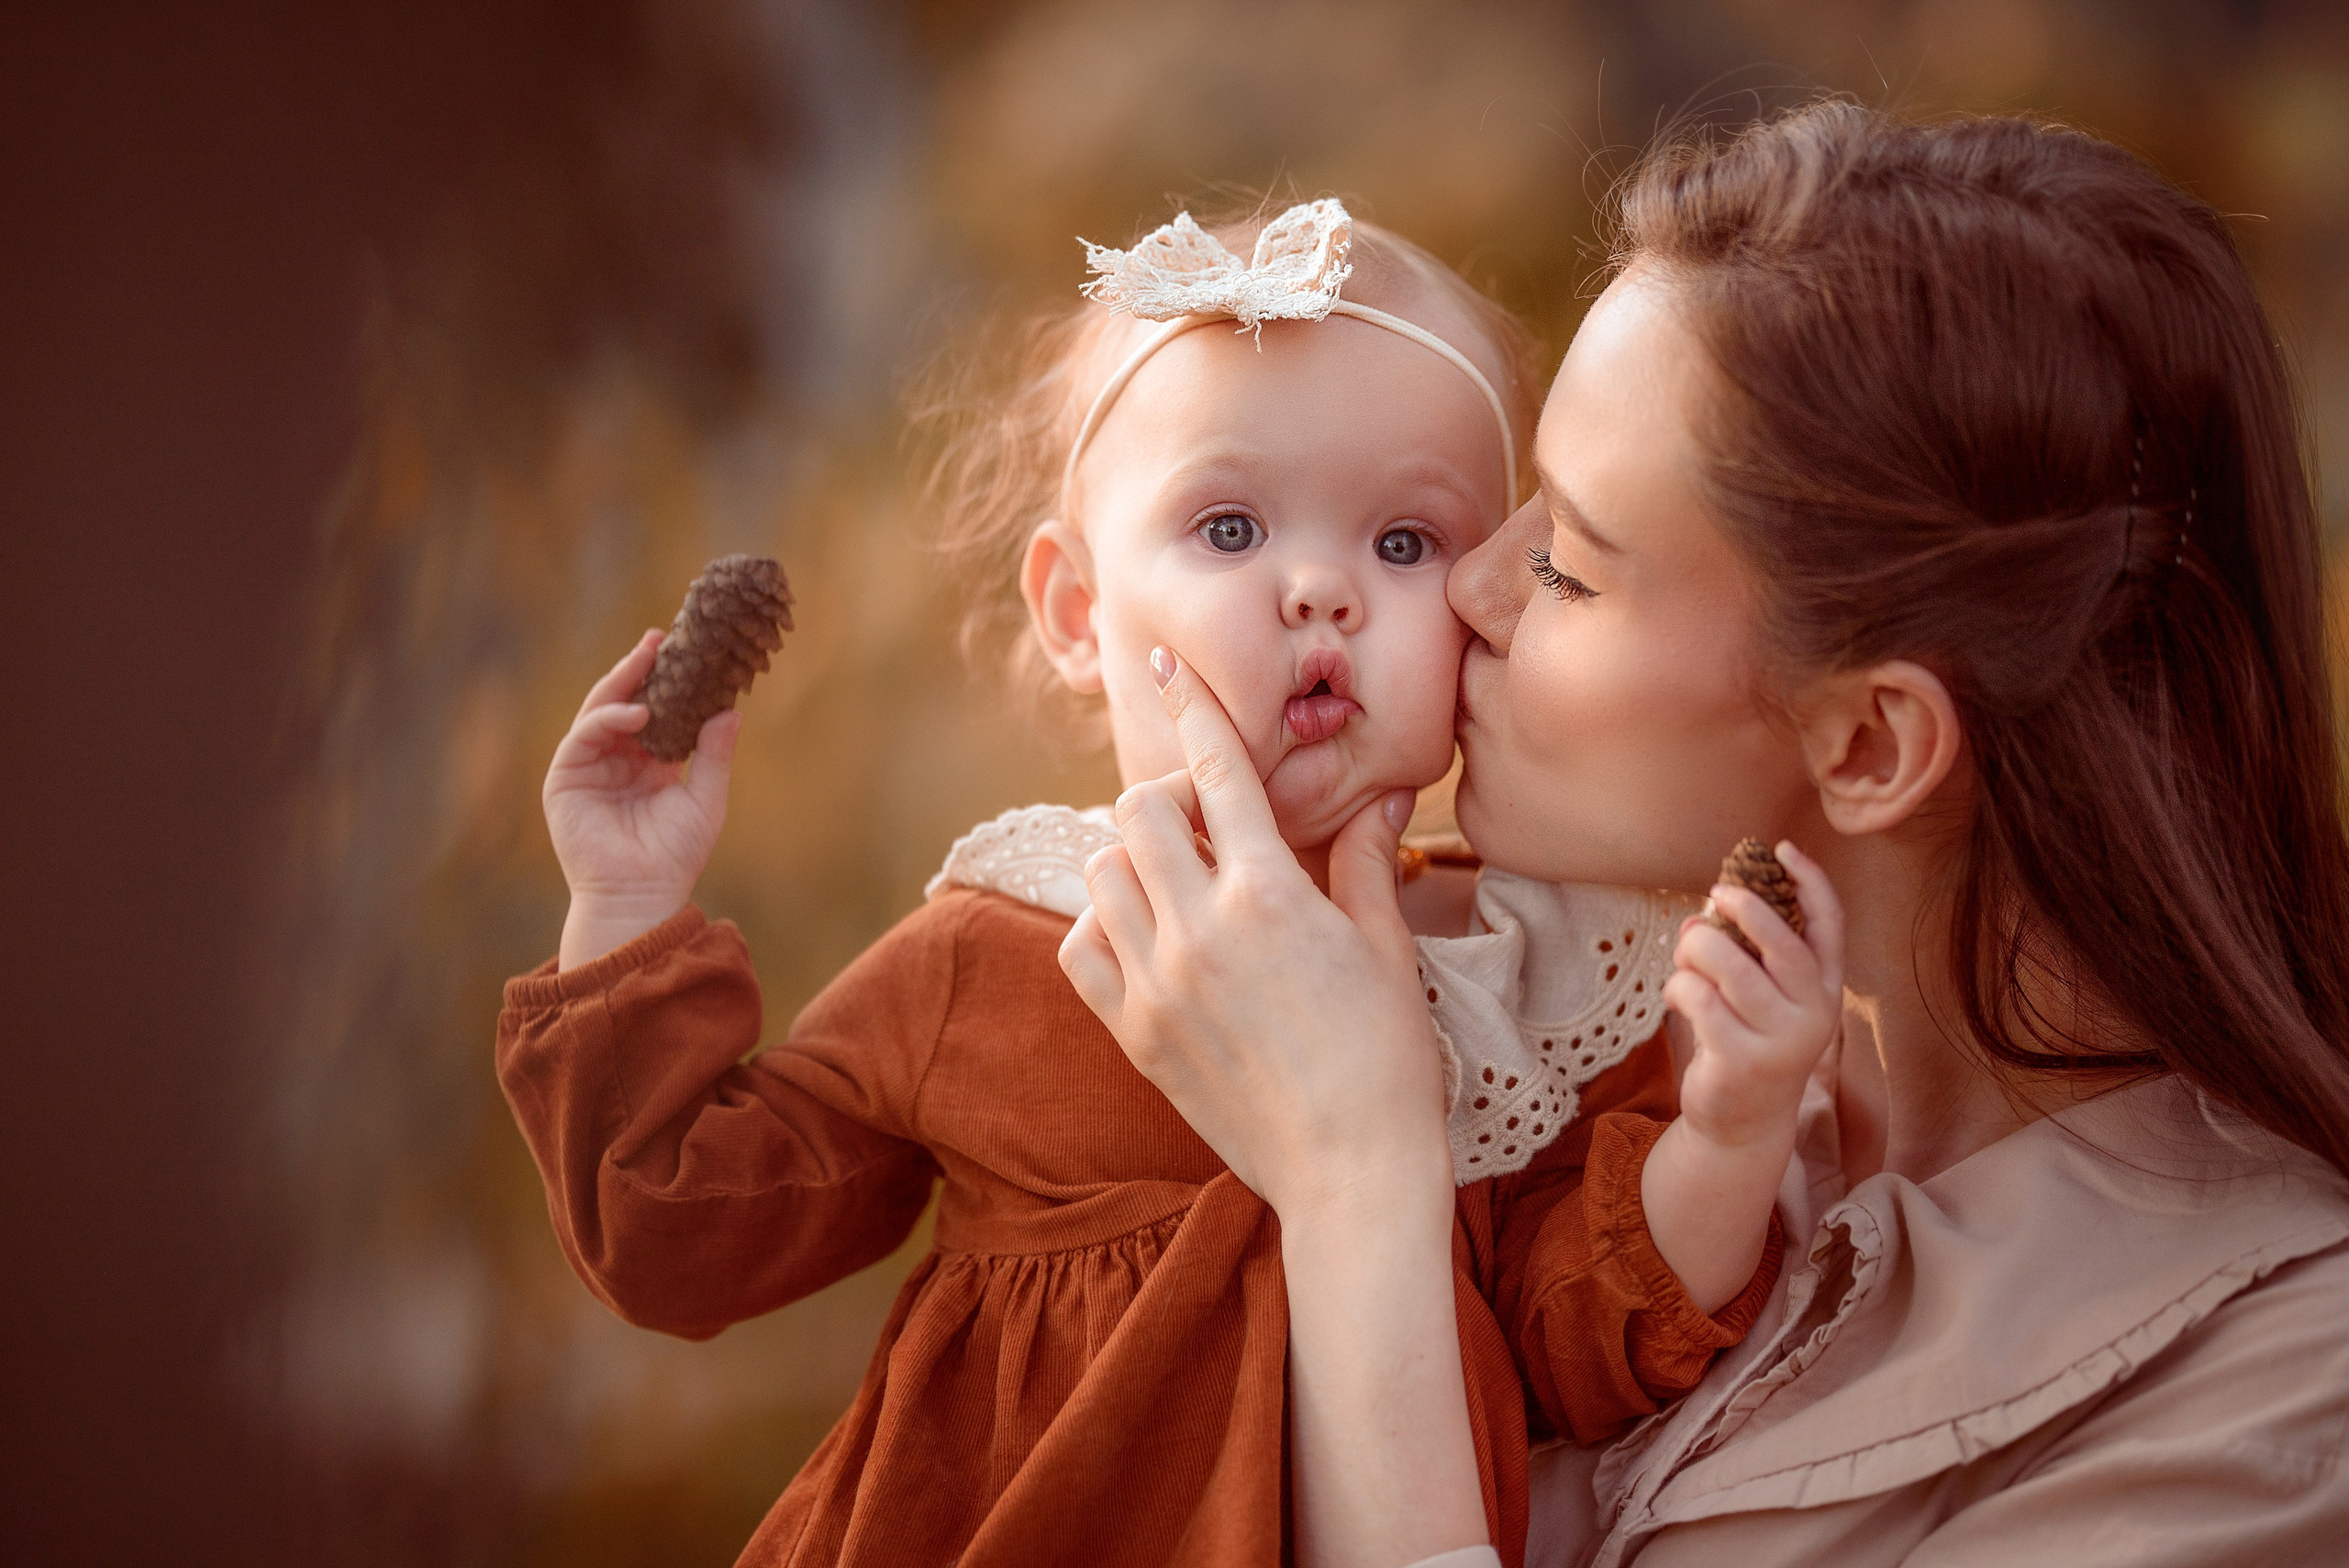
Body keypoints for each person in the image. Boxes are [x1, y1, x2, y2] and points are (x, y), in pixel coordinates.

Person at [1063, 102, 2349, 1568]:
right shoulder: (1607, 1089)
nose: (1469, 588)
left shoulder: (2267, 1421)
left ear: (1867, 743)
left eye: (1571, 563)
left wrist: (1358, 1186)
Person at [494, 197, 1823, 1568]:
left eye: (1406, 542)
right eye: (1232, 529)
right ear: (1078, 612)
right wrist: (624, 904)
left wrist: (1727, 1136)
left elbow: (1587, 1340)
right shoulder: (1006, 942)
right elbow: (680, 1230)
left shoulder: (1532, 984)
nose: (1321, 589)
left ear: (1488, 595)